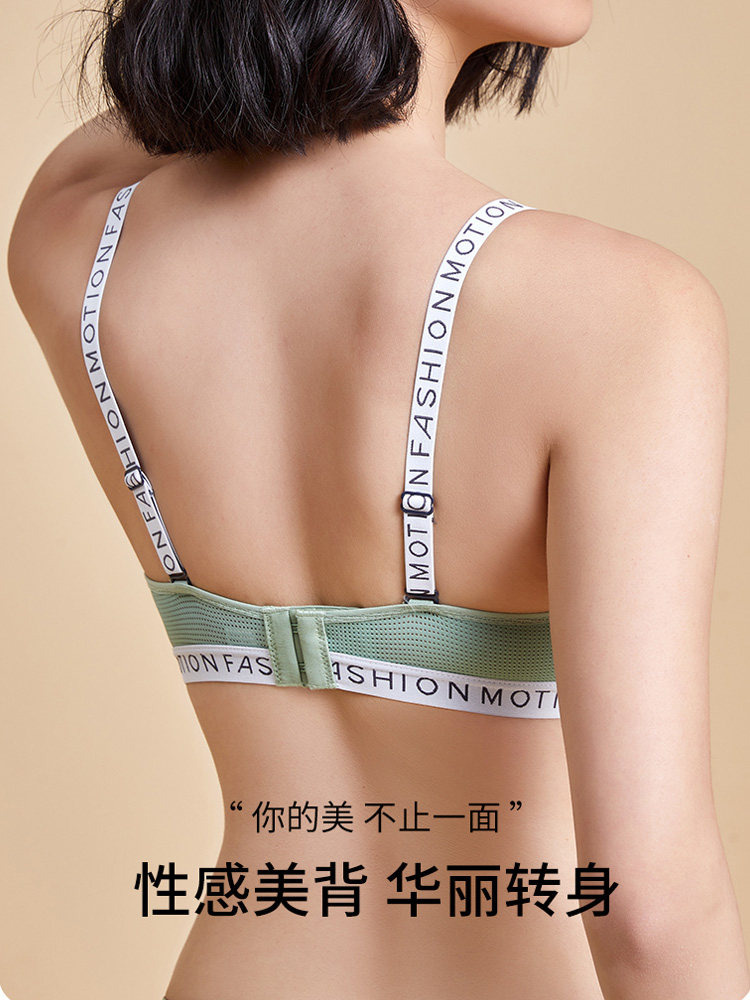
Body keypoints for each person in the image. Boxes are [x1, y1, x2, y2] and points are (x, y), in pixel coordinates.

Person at [6, 0, 750, 997]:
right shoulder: (620, 316)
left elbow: (174, 99)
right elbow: (651, 918)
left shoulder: (74, 241)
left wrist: (284, 44)